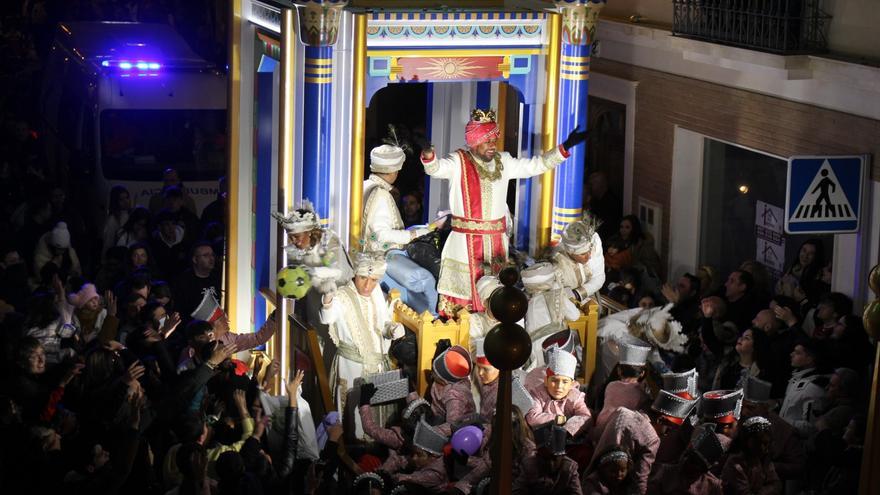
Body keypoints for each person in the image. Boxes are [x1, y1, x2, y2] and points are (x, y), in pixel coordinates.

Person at [420, 108, 587, 315]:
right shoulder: (458, 162)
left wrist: (564, 148)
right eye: (487, 140)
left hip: (497, 243)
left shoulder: (504, 161)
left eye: (494, 140)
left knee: (496, 295)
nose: (493, 145)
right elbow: (435, 169)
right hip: (464, 244)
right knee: (463, 299)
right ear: (474, 141)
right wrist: (428, 155)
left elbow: (536, 165)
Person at [319, 251, 404, 440]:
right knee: (352, 417)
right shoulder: (341, 296)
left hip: (377, 366)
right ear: (355, 275)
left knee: (375, 417)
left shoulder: (376, 294)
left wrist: (392, 329)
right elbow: (327, 317)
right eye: (363, 278)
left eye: (373, 280)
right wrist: (327, 300)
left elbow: (383, 324)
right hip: (351, 367)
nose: (368, 285)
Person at [362, 141, 444, 315]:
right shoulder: (381, 194)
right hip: (383, 257)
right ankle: (433, 323)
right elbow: (382, 234)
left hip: (372, 256)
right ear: (393, 171)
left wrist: (426, 228)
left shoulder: (365, 186)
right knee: (427, 280)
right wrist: (414, 234)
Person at [522, 262, 582, 370]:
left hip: (534, 352)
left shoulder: (527, 302)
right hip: (558, 346)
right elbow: (575, 315)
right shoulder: (556, 296)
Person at [525, 347, 592, 438]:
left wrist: (566, 430)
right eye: (554, 381)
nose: (559, 386)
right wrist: (558, 419)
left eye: (565, 382)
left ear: (571, 384)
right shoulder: (538, 394)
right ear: (546, 381)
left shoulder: (575, 397)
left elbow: (585, 416)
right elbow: (532, 418)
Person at [647, 423, 725, 495]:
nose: (687, 463)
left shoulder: (712, 486)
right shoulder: (664, 473)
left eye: (696, 463)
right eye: (689, 457)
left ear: (705, 469)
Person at [512, 422, 583, 495]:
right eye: (545, 459)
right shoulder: (530, 465)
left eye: (554, 458)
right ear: (538, 455)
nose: (550, 463)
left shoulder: (569, 468)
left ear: (562, 456)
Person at [551, 215, 605, 308]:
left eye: (589, 251)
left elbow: (599, 277)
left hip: (588, 295)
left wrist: (577, 293)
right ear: (570, 253)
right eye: (583, 254)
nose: (589, 256)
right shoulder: (557, 260)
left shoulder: (594, 241)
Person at [721, 416, 782, 495]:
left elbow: (776, 485)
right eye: (757, 443)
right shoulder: (736, 464)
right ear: (746, 441)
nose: (762, 448)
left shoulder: (763, 459)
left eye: (765, 443)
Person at [172, 241, 221, 321]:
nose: (211, 258)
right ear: (195, 259)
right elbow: (181, 310)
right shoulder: (184, 281)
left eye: (212, 255)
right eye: (206, 255)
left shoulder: (219, 277)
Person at [604, 215, 662, 279]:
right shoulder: (615, 240)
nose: (623, 230)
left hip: (633, 278)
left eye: (627, 227)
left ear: (634, 229)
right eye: (621, 227)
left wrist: (630, 268)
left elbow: (651, 267)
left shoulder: (642, 244)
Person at [102, 185, 131, 256]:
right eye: (121, 199)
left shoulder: (131, 214)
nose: (125, 201)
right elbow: (108, 243)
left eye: (127, 198)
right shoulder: (113, 219)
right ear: (115, 201)